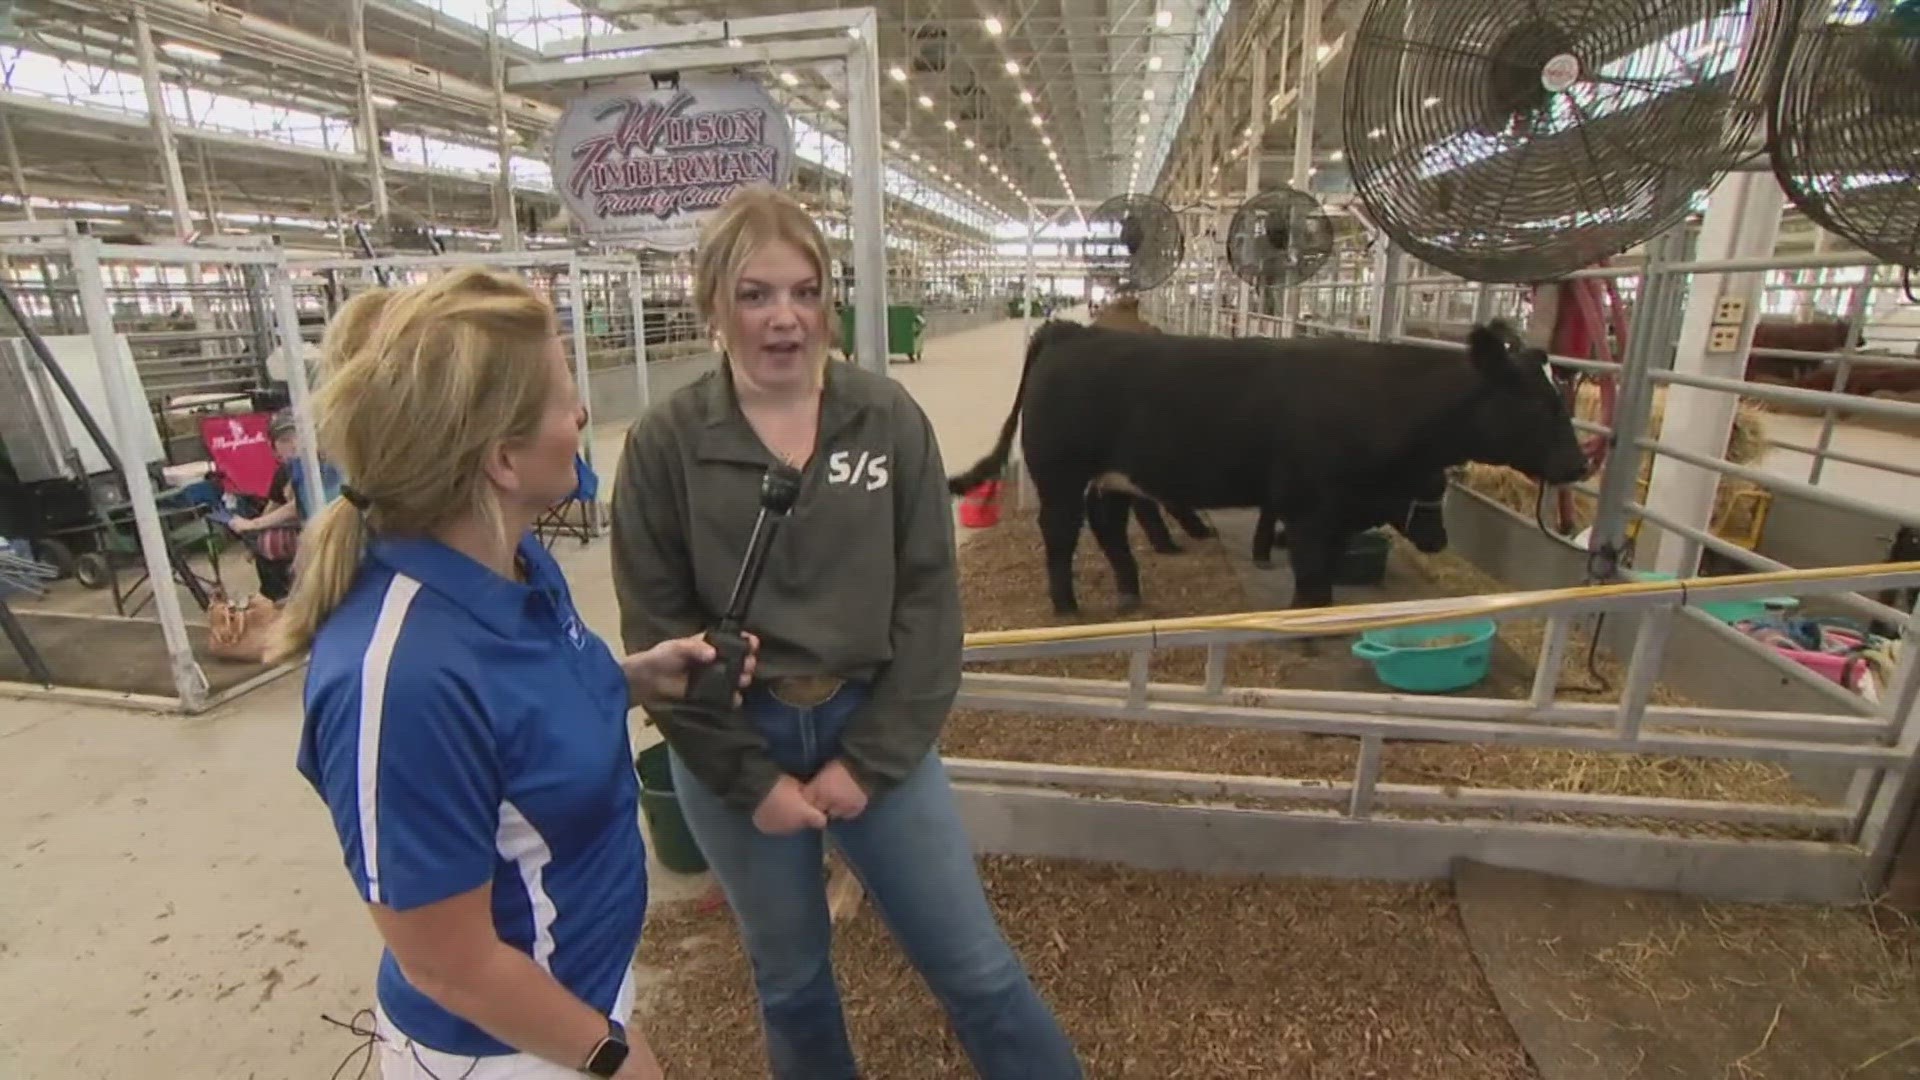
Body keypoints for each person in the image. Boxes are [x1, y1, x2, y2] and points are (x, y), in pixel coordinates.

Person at [610, 185, 1083, 1080]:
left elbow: (930, 606)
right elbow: (658, 627)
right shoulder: (668, 445)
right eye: (756, 295)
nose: (785, 319)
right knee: (790, 980)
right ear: (714, 303)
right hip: (733, 745)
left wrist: (868, 759)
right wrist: (751, 783)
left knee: (973, 965)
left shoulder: (884, 419)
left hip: (868, 724)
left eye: (805, 291)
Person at [272, 265, 754, 1079]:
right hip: (506, 1052)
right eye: (564, 395)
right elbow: (447, 964)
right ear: (501, 458)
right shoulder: (403, 676)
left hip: (574, 994)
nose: (582, 412)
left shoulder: (515, 563)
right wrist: (606, 1053)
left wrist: (634, 678)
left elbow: (519, 732)